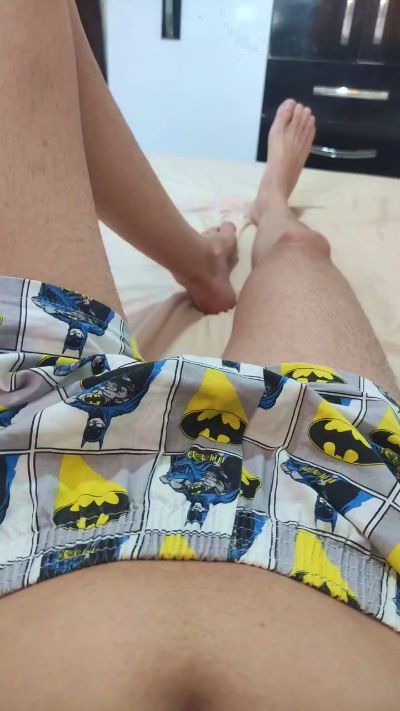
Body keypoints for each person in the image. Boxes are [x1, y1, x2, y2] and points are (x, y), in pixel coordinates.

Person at [0, 3, 399, 710]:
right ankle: (246, 228)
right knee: (300, 250)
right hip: (348, 505)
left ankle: (229, 237)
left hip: (20, 441)